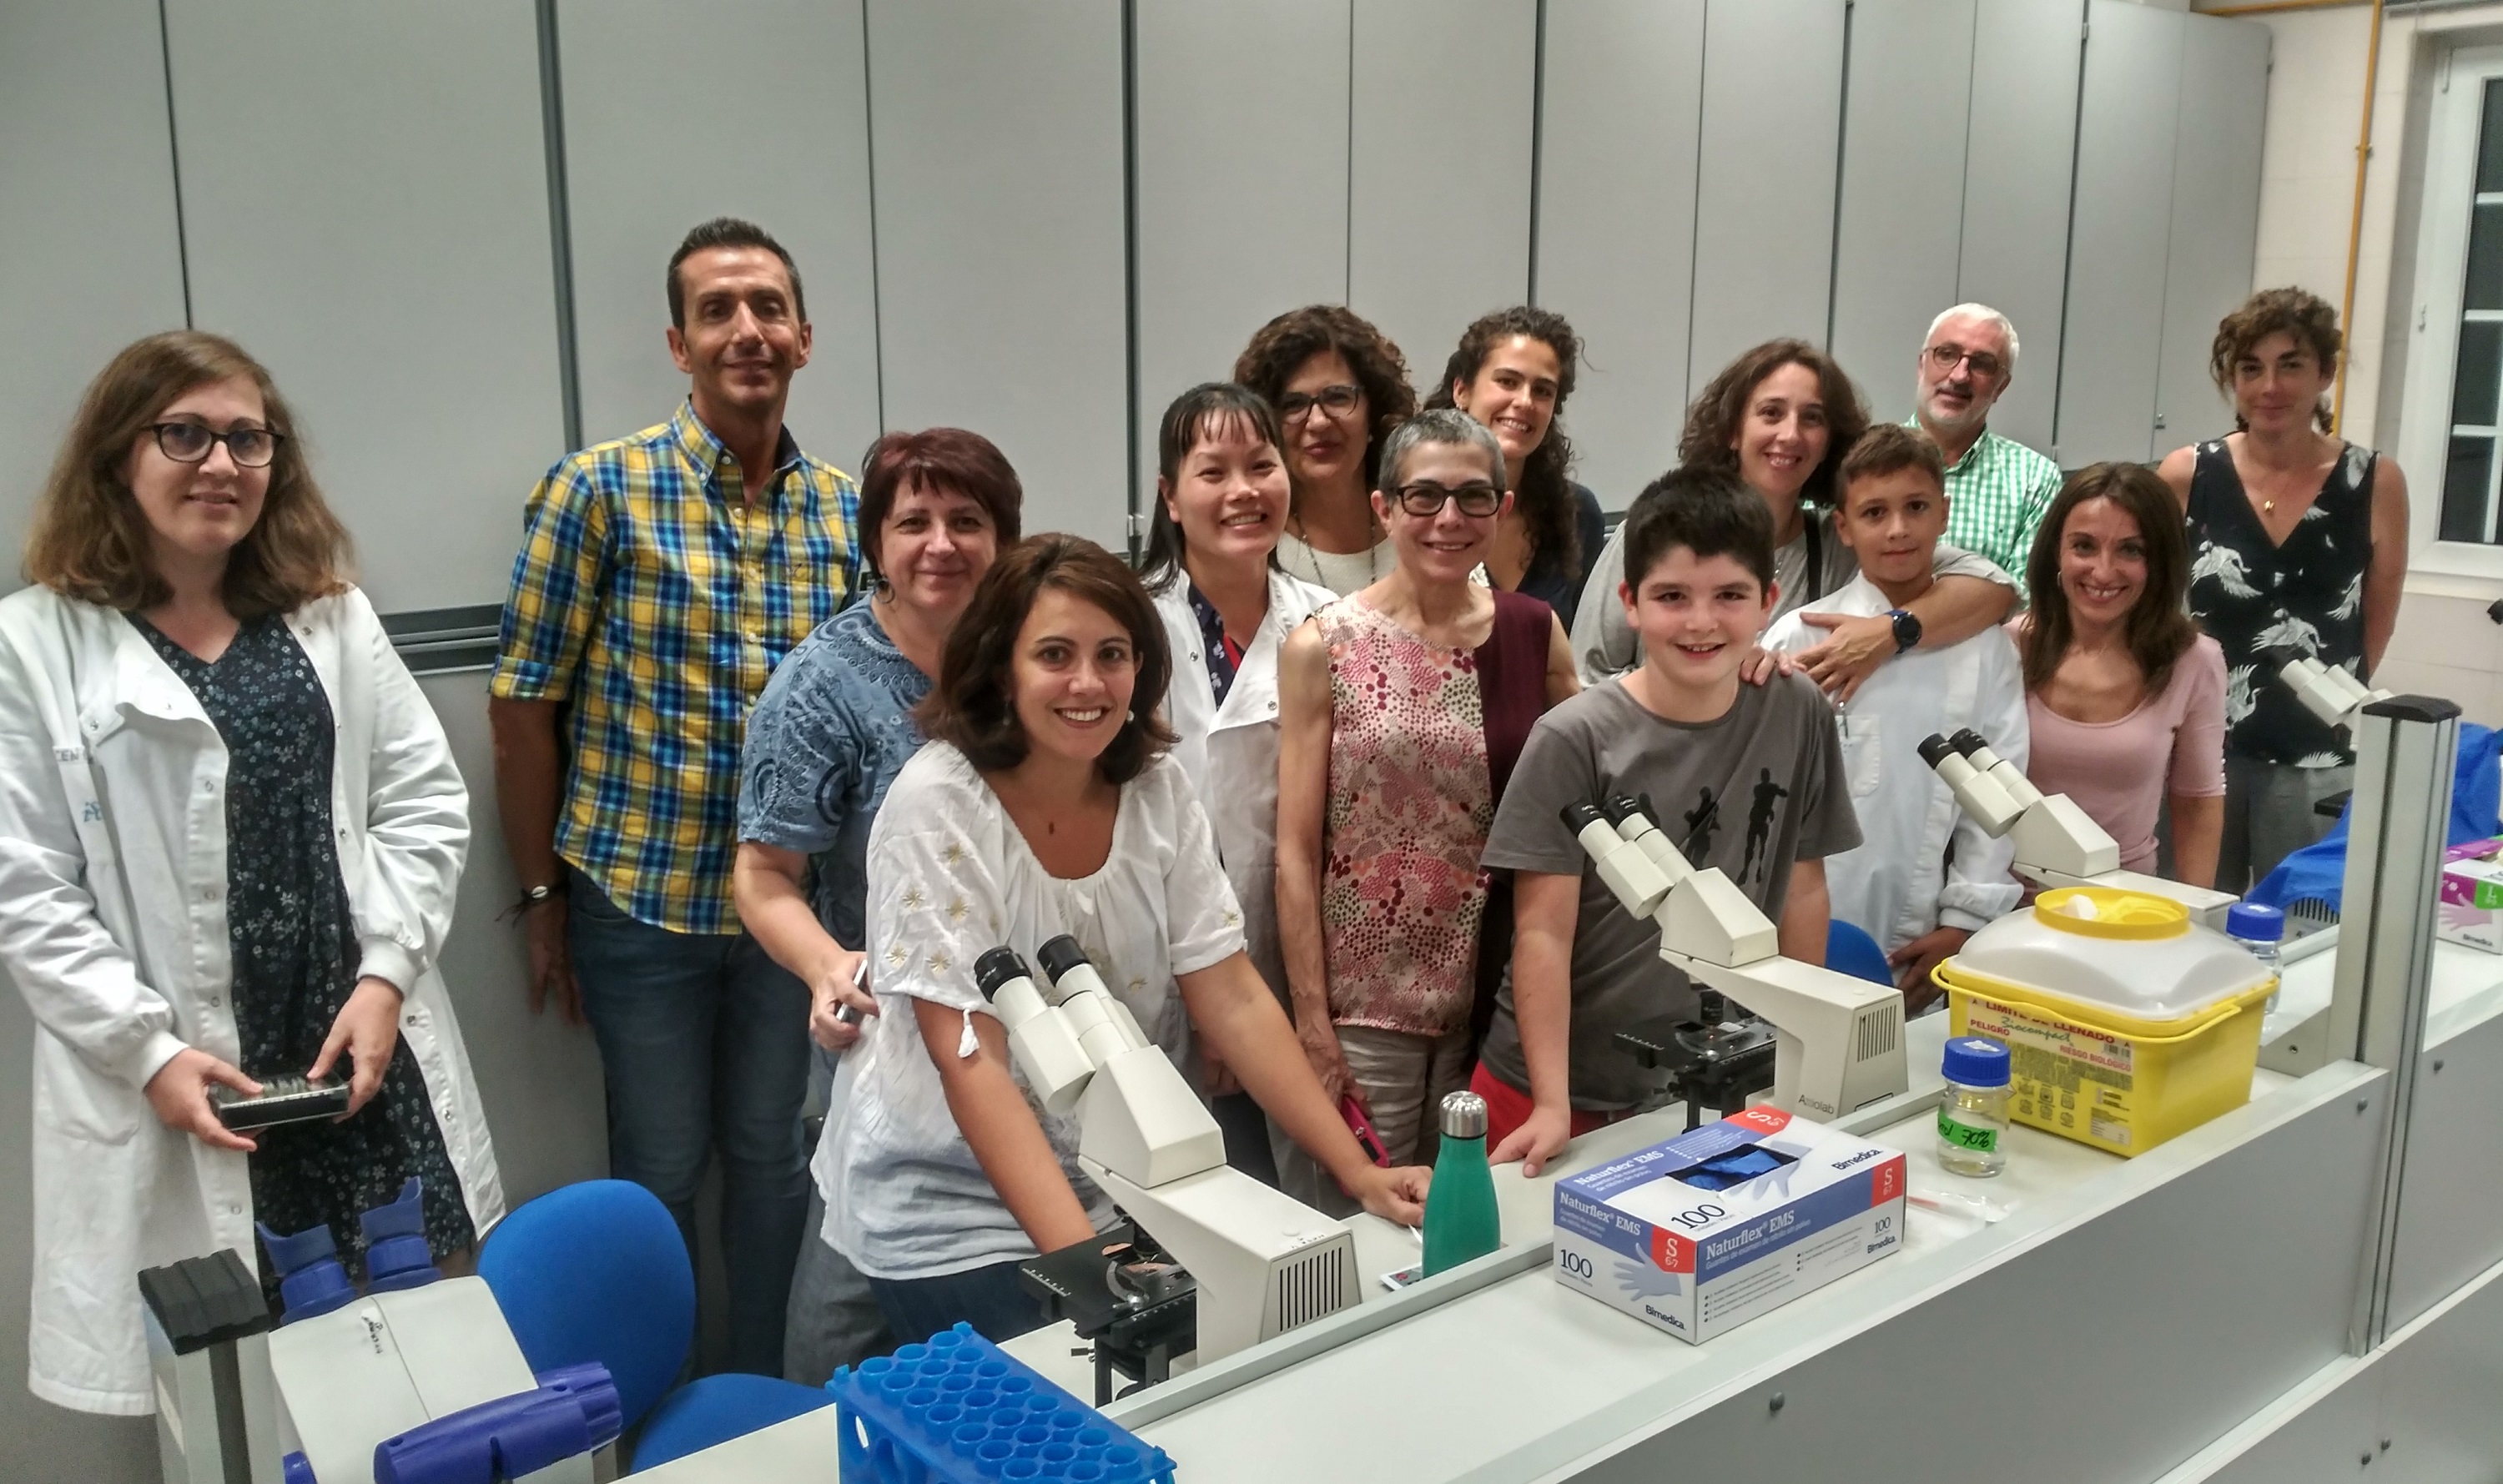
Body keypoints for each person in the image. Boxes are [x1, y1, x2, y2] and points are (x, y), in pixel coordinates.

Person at [0, 331, 501, 1414]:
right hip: (194, 1093)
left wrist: (386, 981)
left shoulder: (328, 614)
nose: (219, 463)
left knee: (428, 1390)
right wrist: (147, 1048)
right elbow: (26, 891)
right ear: (116, 458)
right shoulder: (35, 642)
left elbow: (423, 802)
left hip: (358, 1067)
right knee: (248, 1412)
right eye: (183, 433)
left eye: (246, 438)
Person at [824, 536, 1429, 1344]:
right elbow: (972, 1064)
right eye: (1054, 654)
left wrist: (1357, 1172)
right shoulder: (938, 803)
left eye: (1113, 654)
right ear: (1000, 666)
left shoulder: (1154, 787)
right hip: (951, 1207)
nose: (1088, 683)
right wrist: (1091, 1273)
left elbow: (1232, 994)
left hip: (1122, 1181)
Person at [488, 217, 859, 1376]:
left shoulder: (848, 510)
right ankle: (651, 1414)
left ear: (803, 337)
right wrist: (543, 894)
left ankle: (755, 1397)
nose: (745, 330)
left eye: (766, 308)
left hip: (786, 919)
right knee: (653, 1170)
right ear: (679, 342)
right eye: (717, 310)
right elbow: (521, 705)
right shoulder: (598, 491)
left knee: (768, 1158)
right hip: (638, 905)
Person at [734, 429, 1021, 1383]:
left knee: (1010, 1316)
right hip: (884, 1042)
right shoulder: (823, 683)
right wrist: (826, 965)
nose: (941, 544)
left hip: (1020, 1037)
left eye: (968, 521)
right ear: (875, 543)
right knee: (843, 1319)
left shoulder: (1034, 659)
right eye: (913, 523)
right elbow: (764, 875)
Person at [1478, 465, 1862, 1174]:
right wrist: (1553, 1104)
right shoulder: (1573, 738)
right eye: (1672, 596)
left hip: (1721, 1073)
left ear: (1768, 601)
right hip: (1556, 1083)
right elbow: (1541, 931)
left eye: (1730, 596)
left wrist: (1802, 1053)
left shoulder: (1797, 710)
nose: (1701, 621)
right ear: (1629, 601)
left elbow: (1804, 888)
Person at [1274, 410, 1578, 1203]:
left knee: (1475, 1218)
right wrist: (1312, 1022)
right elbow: (1295, 849)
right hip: (1363, 1006)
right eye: (1425, 497)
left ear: (1502, 511)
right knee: (1359, 1223)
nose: (1450, 520)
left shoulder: (1533, 632)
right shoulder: (1324, 645)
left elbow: (1600, 761)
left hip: (1495, 996)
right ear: (1384, 507)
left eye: (1475, 498)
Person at [1570, 340, 2019, 699]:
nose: (1790, 434)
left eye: (1812, 418)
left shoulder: (1845, 544)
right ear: (1733, 430)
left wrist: (1891, 631)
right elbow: (1586, 678)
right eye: (1771, 413)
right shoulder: (1656, 533)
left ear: (1831, 440)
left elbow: (1995, 591)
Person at [1140, 384, 1336, 1186]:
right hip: (1166, 957)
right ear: (1170, 497)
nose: (1243, 490)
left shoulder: (1330, 620)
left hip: (1306, 960)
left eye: (1261, 465)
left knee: (1310, 1201)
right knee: (1196, 1192)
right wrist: (1205, 1004)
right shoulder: (1128, 629)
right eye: (1212, 471)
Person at [2158, 287, 2410, 891]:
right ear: (2232, 380)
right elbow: (2155, 606)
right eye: (2251, 368)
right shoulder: (2188, 474)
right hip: (2198, 744)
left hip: (2316, 753)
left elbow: (2374, 620)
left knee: (2302, 926)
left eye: (2290, 365)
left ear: (2324, 373)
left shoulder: (2374, 481)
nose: (2270, 386)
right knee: (2188, 917)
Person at [1766, 425, 2025, 1007]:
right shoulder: (1802, 634)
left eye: (1916, 508)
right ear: (1844, 527)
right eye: (1875, 512)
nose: (1899, 529)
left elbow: (1998, 797)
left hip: (1923, 934)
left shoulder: (1985, 648)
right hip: (1798, 922)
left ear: (1944, 513)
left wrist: (1964, 920)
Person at [2017, 464, 2227, 888]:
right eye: (2084, 546)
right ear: (2056, 551)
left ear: (2159, 562)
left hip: (2123, 905)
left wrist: (2198, 921)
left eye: (2131, 550)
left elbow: (2197, 803)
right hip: (2001, 904)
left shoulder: (2194, 661)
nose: (2104, 571)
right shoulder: (2008, 648)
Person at [1423, 306, 1609, 628]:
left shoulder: (1578, 515)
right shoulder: (1414, 508)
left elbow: (1578, 650)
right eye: (1508, 381)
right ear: (1461, 391)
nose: (1525, 401)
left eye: (1542, 390)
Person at [1232, 304, 1419, 595]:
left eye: (1338, 398)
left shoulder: (1421, 521)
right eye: (1293, 405)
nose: (1318, 422)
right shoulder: (1252, 543)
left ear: (1375, 410)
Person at [1911, 304, 2066, 581]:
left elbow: (2026, 599)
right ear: (1921, 365)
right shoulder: (1857, 459)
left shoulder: (2035, 479)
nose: (1960, 376)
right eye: (1947, 354)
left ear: (2001, 387)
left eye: (1982, 364)